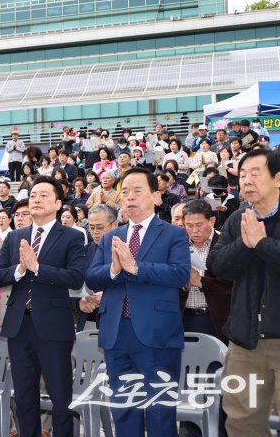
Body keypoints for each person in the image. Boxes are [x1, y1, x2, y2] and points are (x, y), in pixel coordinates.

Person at [86, 169, 189, 437]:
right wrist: (115, 270)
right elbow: (93, 278)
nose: (129, 197)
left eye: (137, 191)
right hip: (117, 332)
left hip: (157, 333)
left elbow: (179, 274)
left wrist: (135, 267)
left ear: (156, 196)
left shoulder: (172, 234)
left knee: (160, 410)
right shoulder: (111, 237)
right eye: (125, 192)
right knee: (124, 408)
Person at [0, 177, 86, 437]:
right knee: (23, 399)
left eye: (43, 196)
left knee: (61, 399)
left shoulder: (72, 237)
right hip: (19, 326)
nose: (36, 200)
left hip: (54, 327)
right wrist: (19, 270)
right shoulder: (15, 237)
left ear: (57, 203)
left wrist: (38, 268)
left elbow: (76, 277)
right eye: (33, 196)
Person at [207, 146, 280, 434]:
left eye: (256, 173)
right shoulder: (238, 219)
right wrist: (246, 242)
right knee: (243, 420)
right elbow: (217, 265)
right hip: (245, 345)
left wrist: (263, 244)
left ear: (278, 178)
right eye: (242, 175)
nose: (247, 181)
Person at [177, 198, 231, 341]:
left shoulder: (225, 243)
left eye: (199, 225)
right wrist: (182, 283)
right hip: (184, 316)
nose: (194, 231)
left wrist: (201, 282)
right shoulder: (178, 244)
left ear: (212, 221)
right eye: (189, 225)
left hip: (216, 318)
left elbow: (232, 284)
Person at [76, 204, 118, 331]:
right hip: (87, 319)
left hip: (117, 320)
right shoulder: (84, 251)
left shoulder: (126, 251)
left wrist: (108, 296)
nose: (95, 232)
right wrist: (79, 302)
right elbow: (71, 284)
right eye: (91, 227)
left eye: (100, 227)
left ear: (114, 225)